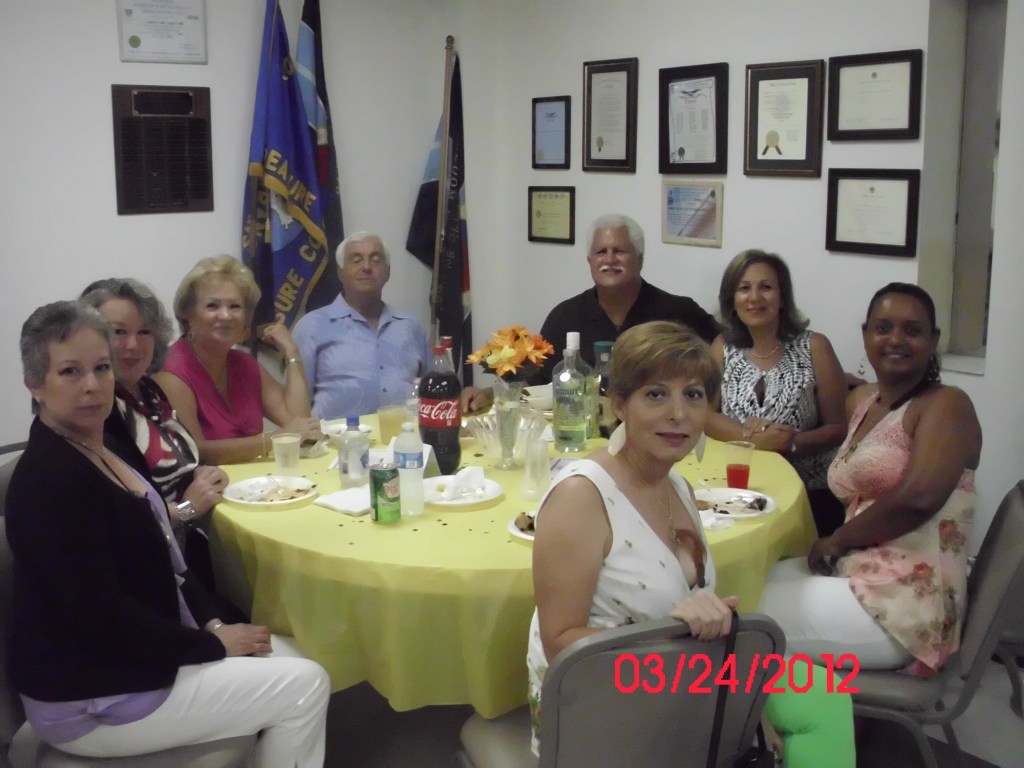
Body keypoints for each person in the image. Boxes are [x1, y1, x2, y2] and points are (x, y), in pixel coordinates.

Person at [8, 301, 329, 765]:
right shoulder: (49, 481)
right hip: (91, 696)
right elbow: (102, 617)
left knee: (295, 656)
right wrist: (213, 645)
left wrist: (214, 625)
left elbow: (167, 559)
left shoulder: (103, 441)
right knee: (306, 686)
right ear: (35, 384)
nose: (92, 385)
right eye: (70, 371)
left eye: (101, 368)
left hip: (135, 657)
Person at [527, 320, 854, 767]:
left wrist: (741, 700)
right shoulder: (581, 496)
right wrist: (684, 653)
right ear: (620, 404)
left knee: (826, 696)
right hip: (604, 692)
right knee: (814, 710)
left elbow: (690, 603)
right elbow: (561, 643)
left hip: (679, 667)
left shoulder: (677, 486)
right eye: (655, 395)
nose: (678, 413)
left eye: (694, 395)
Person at [757, 283, 982, 675]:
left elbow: (919, 497)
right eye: (883, 328)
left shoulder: (947, 405)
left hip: (902, 606)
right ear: (865, 335)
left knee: (744, 615)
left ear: (933, 341)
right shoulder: (865, 402)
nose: (896, 339)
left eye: (912, 330)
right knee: (747, 578)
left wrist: (837, 539)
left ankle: (740, 709)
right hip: (859, 570)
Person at [706, 250, 847, 536]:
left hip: (807, 492)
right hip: (737, 490)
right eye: (744, 288)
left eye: (766, 287)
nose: (754, 297)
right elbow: (704, 415)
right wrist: (752, 439)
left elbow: (839, 427)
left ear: (783, 298)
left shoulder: (815, 346)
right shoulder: (722, 347)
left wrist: (790, 442)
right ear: (732, 299)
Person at [293, 231, 491, 420]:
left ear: (388, 272)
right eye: (356, 260)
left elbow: (436, 393)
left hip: (407, 437)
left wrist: (464, 396)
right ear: (340, 273)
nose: (366, 267)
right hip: (338, 440)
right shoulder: (312, 327)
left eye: (375, 259)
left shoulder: (410, 326)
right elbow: (295, 407)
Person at [155, 255, 322, 465]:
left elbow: (298, 422)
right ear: (188, 314)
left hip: (253, 481)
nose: (225, 315)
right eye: (212, 306)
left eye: (235, 306)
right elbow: (196, 450)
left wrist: (292, 353)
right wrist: (275, 439)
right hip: (207, 483)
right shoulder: (172, 372)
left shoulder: (244, 364)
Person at [531, 214, 720, 383]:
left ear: (640, 260)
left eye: (619, 251)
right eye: (601, 252)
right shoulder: (564, 317)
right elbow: (535, 383)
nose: (610, 260)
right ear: (590, 261)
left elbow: (727, 346)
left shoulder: (678, 313)